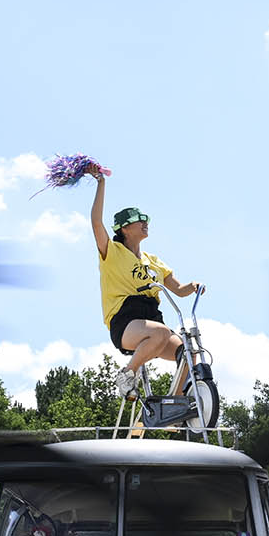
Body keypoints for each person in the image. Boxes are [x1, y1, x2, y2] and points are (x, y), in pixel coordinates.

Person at [88, 167, 204, 410]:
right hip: (126, 319)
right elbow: (96, 222)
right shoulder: (112, 252)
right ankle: (127, 374)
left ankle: (177, 404)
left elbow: (178, 289)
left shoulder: (153, 261)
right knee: (160, 333)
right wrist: (101, 183)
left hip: (152, 318)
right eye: (139, 220)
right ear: (124, 228)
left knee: (189, 353)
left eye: (146, 220)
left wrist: (192, 287)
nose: (145, 223)